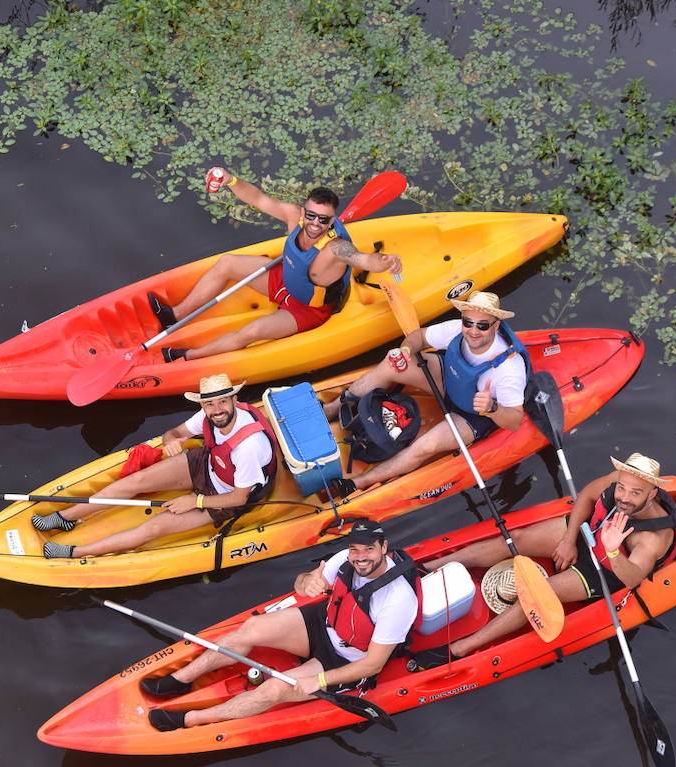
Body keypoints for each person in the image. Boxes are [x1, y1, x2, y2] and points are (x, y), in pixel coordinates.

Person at [140, 518, 419, 731]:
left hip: (344, 659)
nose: (360, 557)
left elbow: (373, 665)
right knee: (251, 628)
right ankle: (181, 680)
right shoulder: (346, 561)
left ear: (383, 547)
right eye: (355, 549)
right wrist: (306, 581)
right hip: (323, 625)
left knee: (274, 689)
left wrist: (318, 681)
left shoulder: (397, 600)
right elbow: (302, 581)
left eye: (369, 549)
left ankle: (193, 719)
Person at [411, 453, 676, 667]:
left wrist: (612, 551)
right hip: (590, 532)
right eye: (622, 488)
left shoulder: (653, 538)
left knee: (539, 592)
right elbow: (588, 495)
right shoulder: (619, 480)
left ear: (652, 494)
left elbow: (634, 578)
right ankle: (424, 568)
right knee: (516, 537)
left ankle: (460, 648)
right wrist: (568, 539)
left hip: (608, 567)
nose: (623, 497)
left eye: (635, 493)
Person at [155, 170, 403, 363]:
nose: (315, 223)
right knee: (227, 263)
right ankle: (174, 315)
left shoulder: (336, 248)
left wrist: (385, 261)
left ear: (332, 221)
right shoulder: (294, 216)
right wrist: (230, 180)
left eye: (323, 219)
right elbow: (258, 199)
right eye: (311, 215)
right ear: (304, 211)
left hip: (306, 310)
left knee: (251, 332)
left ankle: (187, 356)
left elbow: (361, 259)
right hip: (284, 280)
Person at [34, 374, 277, 559]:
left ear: (234, 399)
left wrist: (196, 501)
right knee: (135, 482)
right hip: (208, 464)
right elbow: (174, 432)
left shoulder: (249, 447)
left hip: (225, 494)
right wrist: (171, 442)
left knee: (157, 526)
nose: (217, 410)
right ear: (203, 405)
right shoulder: (208, 416)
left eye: (223, 401)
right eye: (210, 404)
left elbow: (239, 498)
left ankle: (75, 552)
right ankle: (64, 518)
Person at [321, 290, 529, 494]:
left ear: (497, 325)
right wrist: (405, 351)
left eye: (482, 325)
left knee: (427, 446)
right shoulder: (457, 329)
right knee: (390, 364)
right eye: (468, 322)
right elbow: (419, 337)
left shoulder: (509, 370)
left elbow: (514, 421)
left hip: (473, 414)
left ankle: (360, 483)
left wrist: (492, 408)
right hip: (448, 381)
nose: (473, 331)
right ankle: (332, 408)